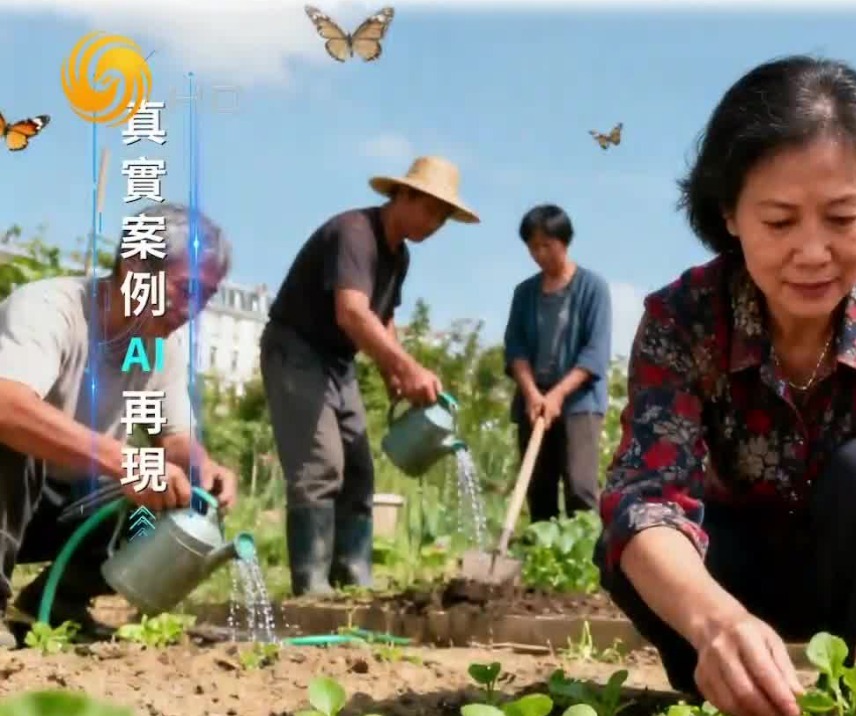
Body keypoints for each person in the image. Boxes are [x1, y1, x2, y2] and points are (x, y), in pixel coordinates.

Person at [593, 55, 856, 716]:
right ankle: (737, 685)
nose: (813, 252)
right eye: (780, 221)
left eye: (843, 218)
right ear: (729, 213)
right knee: (637, 546)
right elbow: (645, 497)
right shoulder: (684, 320)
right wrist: (713, 625)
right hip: (732, 583)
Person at [0, 202, 239, 647]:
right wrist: (124, 461)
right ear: (133, 267)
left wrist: (204, 468)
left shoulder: (159, 345)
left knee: (176, 490)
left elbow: (173, 438)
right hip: (12, 490)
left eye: (204, 297)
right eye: (185, 289)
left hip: (60, 509)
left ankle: (55, 605)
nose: (192, 309)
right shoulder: (51, 310)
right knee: (11, 440)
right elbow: (6, 406)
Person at [261, 155, 479, 597]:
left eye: (443, 216)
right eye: (431, 209)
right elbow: (352, 312)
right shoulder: (354, 233)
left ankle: (352, 578)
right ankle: (312, 585)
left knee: (359, 471)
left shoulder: (399, 256)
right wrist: (408, 367)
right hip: (296, 350)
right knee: (320, 466)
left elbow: (383, 316)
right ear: (403, 195)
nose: (436, 223)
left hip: (338, 362)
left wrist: (389, 370)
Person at [502, 204, 612, 523]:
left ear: (564, 242)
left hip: (579, 402)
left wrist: (558, 395)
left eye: (545, 245)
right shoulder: (524, 293)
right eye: (532, 247)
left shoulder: (593, 288)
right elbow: (516, 349)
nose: (539, 254)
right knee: (539, 487)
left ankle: (585, 564)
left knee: (580, 486)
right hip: (533, 400)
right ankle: (542, 560)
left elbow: (595, 353)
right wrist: (534, 394)